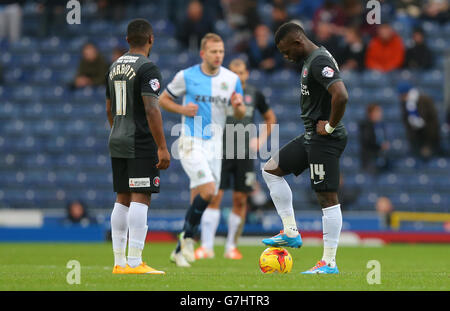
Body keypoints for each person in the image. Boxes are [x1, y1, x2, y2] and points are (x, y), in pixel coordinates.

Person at [261, 22, 348, 274]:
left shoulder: (319, 61)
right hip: (311, 136)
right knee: (271, 169)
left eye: (286, 50)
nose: (284, 56)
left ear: (298, 42)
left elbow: (341, 95)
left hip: (325, 139)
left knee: (327, 197)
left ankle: (329, 263)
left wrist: (330, 127)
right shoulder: (312, 58)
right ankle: (290, 231)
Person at [159, 33, 246, 267]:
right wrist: (181, 109)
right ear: (202, 53)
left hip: (215, 145)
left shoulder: (231, 79)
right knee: (208, 191)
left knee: (201, 197)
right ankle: (187, 238)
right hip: (190, 141)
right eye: (213, 51)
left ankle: (179, 250)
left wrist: (238, 108)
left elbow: (239, 113)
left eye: (221, 52)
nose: (218, 56)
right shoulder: (186, 76)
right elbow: (162, 99)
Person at [105, 18, 170, 275]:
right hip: (139, 140)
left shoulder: (113, 66)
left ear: (127, 40)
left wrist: (117, 129)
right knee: (141, 196)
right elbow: (152, 108)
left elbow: (109, 109)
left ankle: (119, 262)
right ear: (151, 39)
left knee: (121, 198)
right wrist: (162, 147)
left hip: (117, 137)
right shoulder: (148, 68)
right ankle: (134, 262)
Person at [194, 58, 277, 260]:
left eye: (241, 72)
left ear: (247, 74)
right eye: (234, 72)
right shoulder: (218, 93)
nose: (238, 76)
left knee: (240, 200)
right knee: (215, 197)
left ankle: (231, 246)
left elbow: (270, 118)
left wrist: (261, 139)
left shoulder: (254, 94)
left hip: (244, 154)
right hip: (220, 153)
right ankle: (206, 246)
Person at [397, 82, 441, 161]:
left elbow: (433, 121)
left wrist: (428, 144)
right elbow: (406, 122)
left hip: (428, 138)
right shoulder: (404, 104)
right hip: (415, 139)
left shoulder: (425, 100)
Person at [359, 103, 390, 174]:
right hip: (371, 160)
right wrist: (380, 146)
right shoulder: (365, 126)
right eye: (377, 112)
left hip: (383, 159)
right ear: (370, 114)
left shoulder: (381, 126)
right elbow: (367, 141)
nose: (380, 114)